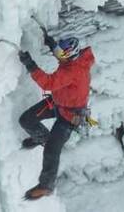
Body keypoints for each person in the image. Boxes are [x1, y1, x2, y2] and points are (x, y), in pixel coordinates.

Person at [17, 33, 95, 200]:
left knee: (53, 150)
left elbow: (48, 83)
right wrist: (53, 45)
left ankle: (46, 186)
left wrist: (30, 65)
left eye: (61, 53)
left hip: (71, 115)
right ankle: (41, 138)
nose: (60, 54)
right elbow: (64, 56)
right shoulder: (77, 59)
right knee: (27, 119)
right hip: (58, 102)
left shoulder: (73, 70)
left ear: (70, 56)